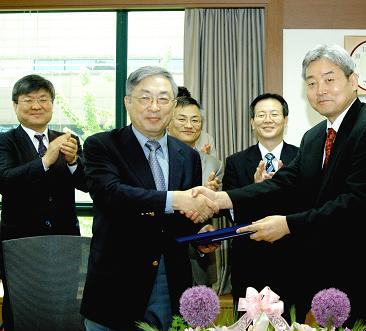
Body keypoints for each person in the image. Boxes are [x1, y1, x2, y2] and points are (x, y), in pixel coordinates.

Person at [193, 44, 366, 329]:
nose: (320, 89)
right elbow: (284, 181)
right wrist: (222, 199)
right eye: (311, 82)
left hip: (364, 271)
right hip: (324, 272)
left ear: (353, 82)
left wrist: (288, 224)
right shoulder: (315, 135)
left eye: (330, 79)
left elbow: (357, 202)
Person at [80, 66, 218, 331]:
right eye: (145, 98)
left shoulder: (187, 156)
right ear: (128, 102)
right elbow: (111, 194)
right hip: (117, 286)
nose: (154, 106)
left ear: (174, 105)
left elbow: (180, 220)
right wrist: (175, 199)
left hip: (171, 284)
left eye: (164, 99)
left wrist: (200, 234)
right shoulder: (102, 145)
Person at [0, 74, 87, 330]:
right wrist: (46, 160)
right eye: (28, 100)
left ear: (52, 103)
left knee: (64, 304)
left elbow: (86, 184)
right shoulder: (5, 141)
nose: (36, 106)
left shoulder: (68, 139)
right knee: (21, 305)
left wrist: (73, 162)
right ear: (15, 105)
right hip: (20, 241)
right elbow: (5, 181)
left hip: (64, 237)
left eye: (43, 99)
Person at [222, 93, 300, 320]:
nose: (268, 120)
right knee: (248, 324)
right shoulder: (236, 161)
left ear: (285, 120)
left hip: (292, 260)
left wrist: (283, 190)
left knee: (292, 322)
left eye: (274, 114)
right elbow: (231, 213)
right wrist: (255, 191)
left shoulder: (302, 157)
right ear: (252, 122)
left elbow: (309, 206)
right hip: (249, 262)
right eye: (261, 115)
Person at [167, 95, 223, 287]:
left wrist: (210, 197)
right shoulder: (155, 157)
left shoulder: (213, 164)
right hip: (163, 254)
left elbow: (216, 208)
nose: (189, 125)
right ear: (168, 121)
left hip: (199, 255)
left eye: (195, 120)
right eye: (182, 119)